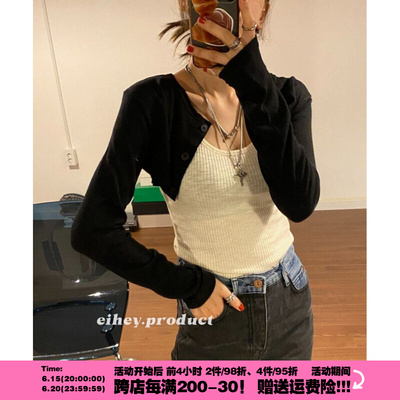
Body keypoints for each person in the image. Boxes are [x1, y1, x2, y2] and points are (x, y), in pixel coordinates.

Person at [71, 0, 320, 360]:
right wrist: (187, 285)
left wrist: (252, 79)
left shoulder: (288, 97)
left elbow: (299, 204)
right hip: (212, 308)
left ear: (263, 11)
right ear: (186, 5)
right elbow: (92, 230)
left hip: (289, 302)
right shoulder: (151, 103)